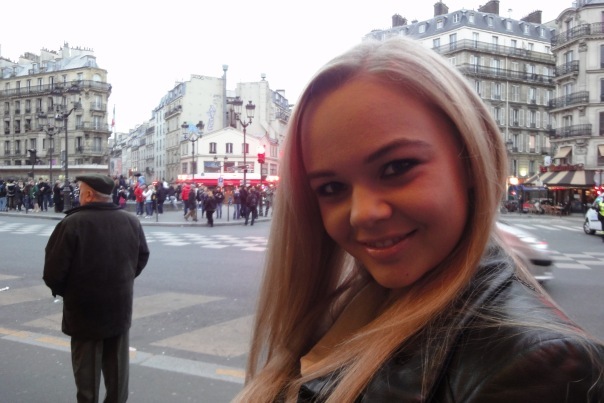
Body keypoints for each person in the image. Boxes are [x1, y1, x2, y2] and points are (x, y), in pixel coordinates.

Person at [234, 37, 604, 403]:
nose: (363, 213)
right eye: (331, 188)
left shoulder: (543, 368)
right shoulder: (353, 306)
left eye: (397, 167)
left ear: (472, 159)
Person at [43, 173, 149, 403]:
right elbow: (141, 257)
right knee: (118, 374)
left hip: (84, 312)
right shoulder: (130, 221)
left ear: (89, 195)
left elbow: (53, 272)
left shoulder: (72, 223)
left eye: (80, 192)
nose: (79, 196)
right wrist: (122, 280)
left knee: (87, 380)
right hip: (119, 308)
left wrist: (70, 291)